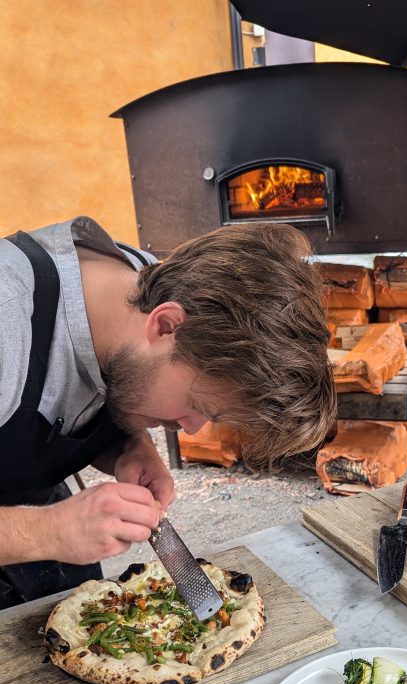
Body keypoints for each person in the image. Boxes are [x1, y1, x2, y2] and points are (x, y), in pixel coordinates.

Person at [0, 217, 335, 608]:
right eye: (197, 406)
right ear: (166, 324)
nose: (191, 430)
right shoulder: (8, 322)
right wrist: (50, 531)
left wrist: (129, 445)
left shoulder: (140, 289)